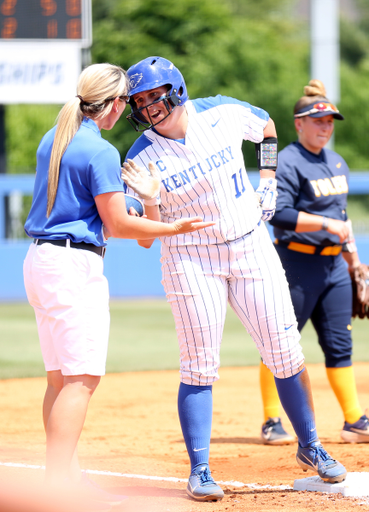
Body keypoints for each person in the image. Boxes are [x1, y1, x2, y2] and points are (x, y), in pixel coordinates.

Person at [121, 57, 348, 502]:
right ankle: (200, 469)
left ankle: (311, 446)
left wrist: (267, 178)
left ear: (177, 90)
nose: (149, 106)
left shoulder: (219, 113)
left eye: (155, 95)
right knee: (199, 363)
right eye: (140, 100)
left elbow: (265, 124)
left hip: (250, 244)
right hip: (190, 258)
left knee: (285, 352)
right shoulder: (140, 157)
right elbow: (144, 241)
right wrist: (148, 204)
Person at [23, 62, 214, 506]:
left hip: (43, 262)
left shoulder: (56, 137)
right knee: (81, 381)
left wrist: (147, 201)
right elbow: (118, 225)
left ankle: (64, 476)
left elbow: (108, 216)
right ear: (112, 104)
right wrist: (173, 226)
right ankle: (56, 486)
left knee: (59, 379)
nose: (129, 106)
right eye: (126, 99)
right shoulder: (99, 150)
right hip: (72, 266)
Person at [259, 79, 369, 446]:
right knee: (280, 342)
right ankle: (272, 420)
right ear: (299, 124)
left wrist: (355, 263)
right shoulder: (287, 161)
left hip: (334, 267)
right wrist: (326, 225)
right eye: (317, 120)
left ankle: (354, 420)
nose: (325, 127)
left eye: (329, 122)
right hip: (296, 265)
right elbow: (278, 213)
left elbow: (342, 220)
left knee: (340, 344)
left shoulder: (336, 161)